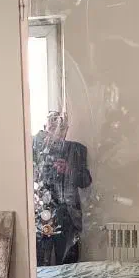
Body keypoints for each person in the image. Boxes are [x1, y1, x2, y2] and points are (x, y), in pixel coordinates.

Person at [33, 110, 92, 265]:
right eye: (52, 127)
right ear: (45, 127)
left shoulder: (77, 150)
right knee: (39, 261)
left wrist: (69, 170)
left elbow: (86, 181)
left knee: (69, 263)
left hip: (67, 216)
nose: (56, 131)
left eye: (60, 127)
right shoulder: (34, 148)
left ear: (66, 130)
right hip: (40, 215)